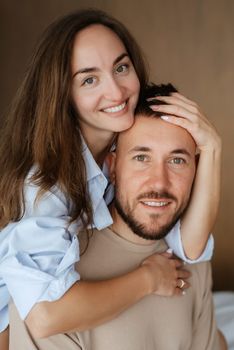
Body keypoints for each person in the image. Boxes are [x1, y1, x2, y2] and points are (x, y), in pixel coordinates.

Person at [0, 9, 221, 348]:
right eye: (89, 79)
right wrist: (148, 279)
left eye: (121, 68)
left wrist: (213, 149)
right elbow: (44, 315)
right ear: (63, 94)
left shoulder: (118, 148)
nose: (116, 92)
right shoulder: (45, 187)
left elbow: (190, 248)